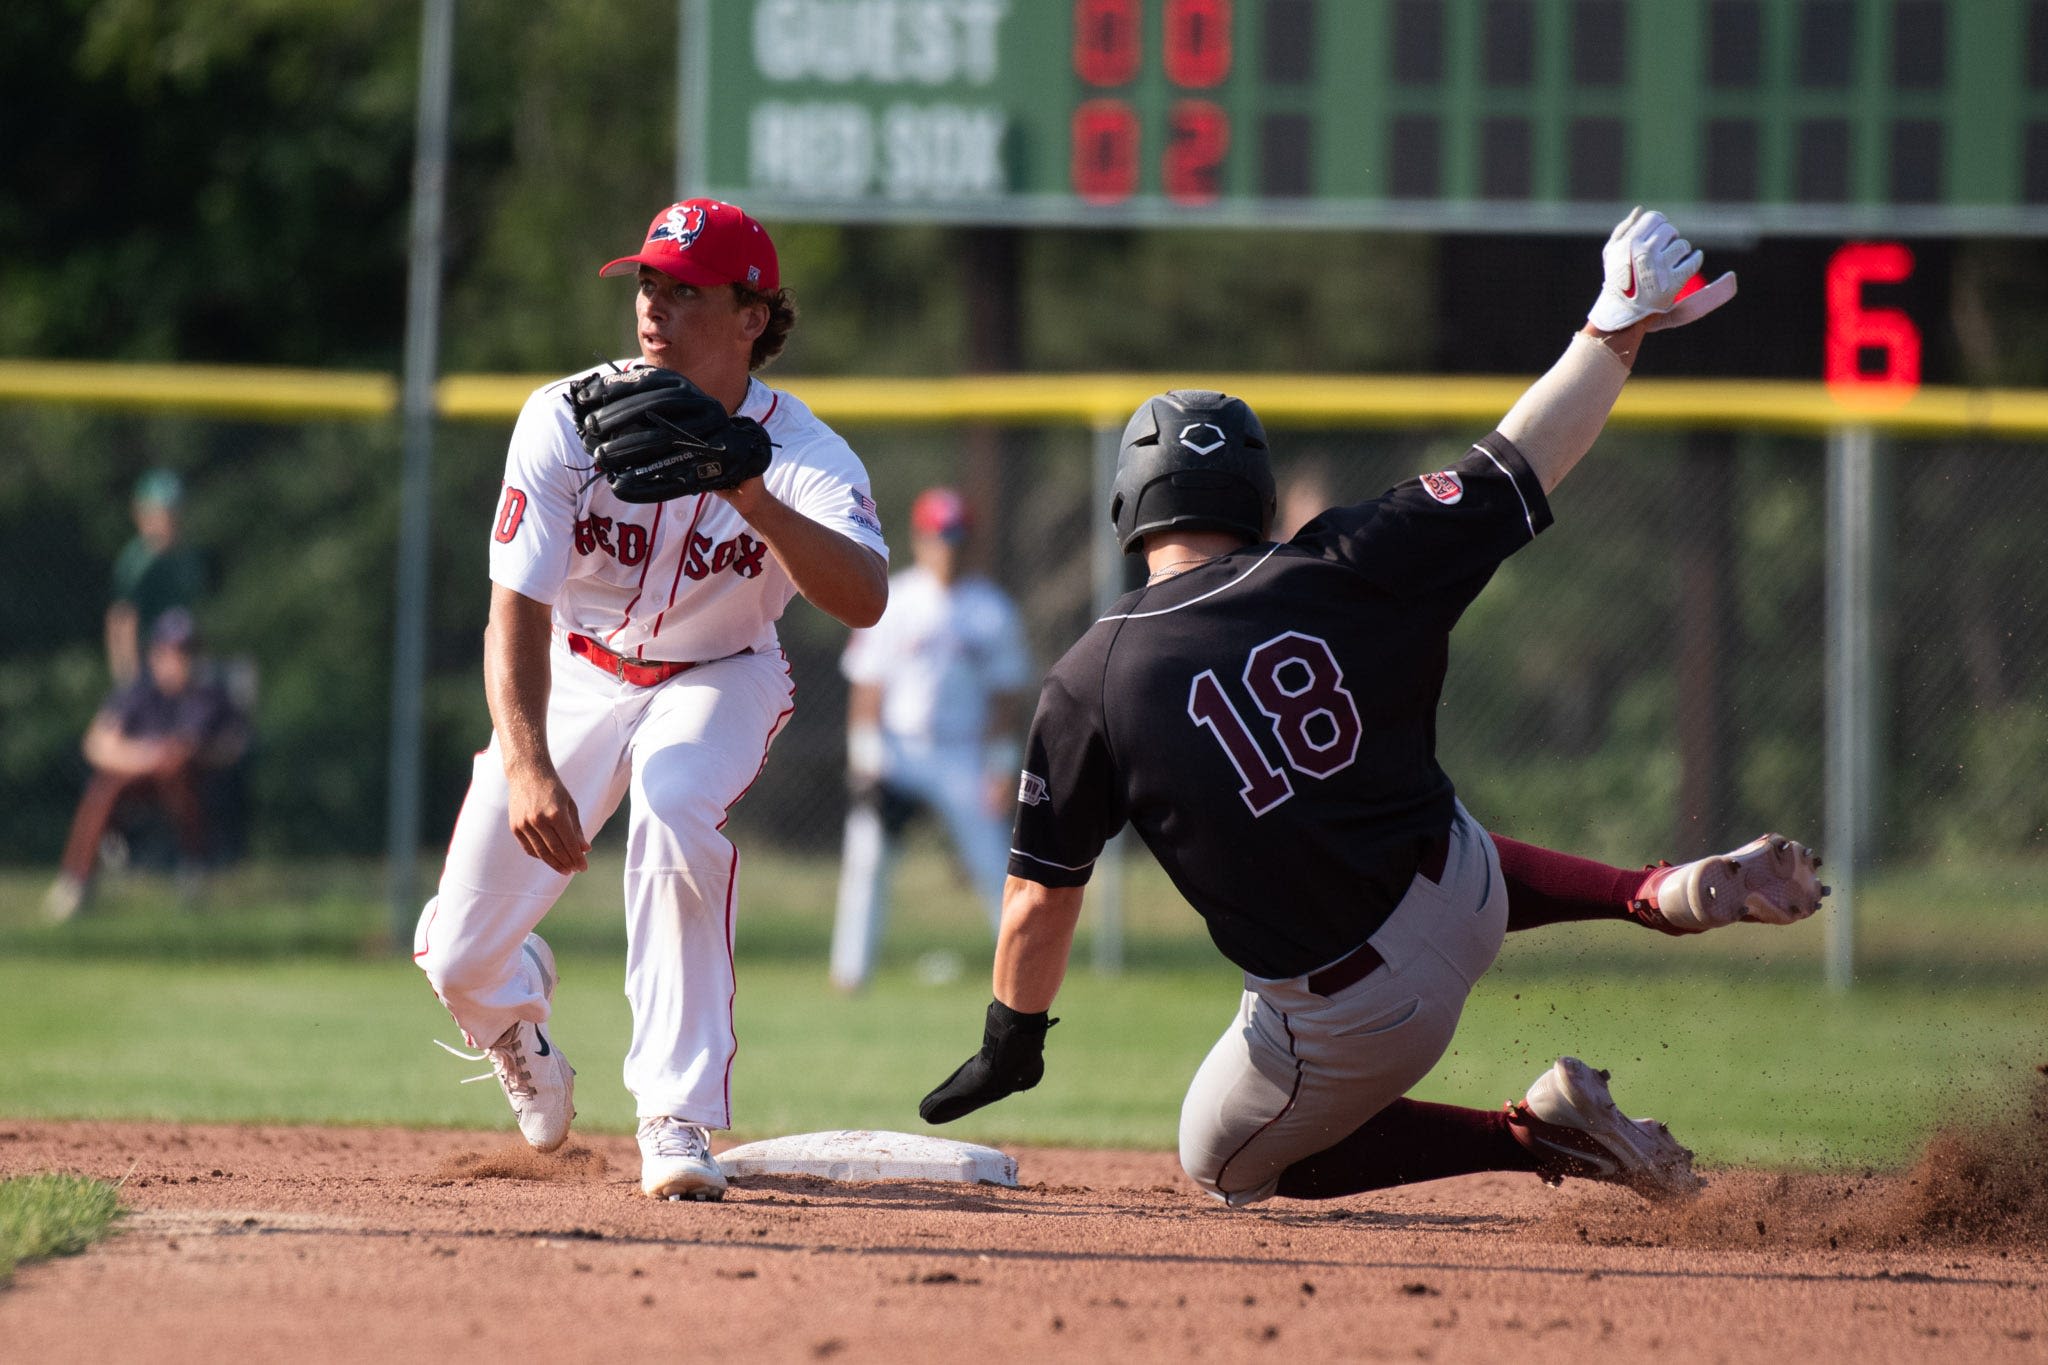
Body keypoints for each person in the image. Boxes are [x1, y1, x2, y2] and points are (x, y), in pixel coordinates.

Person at [920, 209, 1829, 1208]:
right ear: (1255, 497)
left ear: (1130, 509)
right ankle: (1640, 891)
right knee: (1401, 823)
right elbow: (1523, 455)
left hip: (1355, 1013)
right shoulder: (1345, 557)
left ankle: (1531, 1136)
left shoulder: (1087, 680)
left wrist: (1010, 1043)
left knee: (1221, 1161)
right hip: (1468, 887)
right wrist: (1611, 328)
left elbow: (1039, 902)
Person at [412, 198, 889, 1202]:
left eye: (685, 290)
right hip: (578, 670)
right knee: (457, 956)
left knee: (673, 805)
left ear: (751, 315)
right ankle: (514, 1019)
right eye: (647, 284)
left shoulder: (800, 452)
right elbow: (515, 609)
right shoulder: (565, 420)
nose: (654, 307)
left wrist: (752, 497)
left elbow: (863, 599)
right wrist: (530, 764)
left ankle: (673, 1116)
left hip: (720, 675)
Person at [830, 487, 1033, 991]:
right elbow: (868, 684)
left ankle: (1018, 978)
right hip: (899, 749)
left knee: (993, 866)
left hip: (963, 752)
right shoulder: (894, 598)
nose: (949, 547)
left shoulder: (991, 609)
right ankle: (850, 974)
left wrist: (1000, 765)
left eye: (957, 537)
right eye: (940, 536)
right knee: (867, 861)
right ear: (920, 540)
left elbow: (1005, 698)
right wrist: (867, 755)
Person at [46, 608, 248, 921]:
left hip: (191, 785)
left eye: (188, 651)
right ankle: (77, 881)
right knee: (103, 789)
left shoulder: (211, 697)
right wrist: (146, 756)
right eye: (172, 651)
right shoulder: (136, 695)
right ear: (155, 654)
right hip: (135, 782)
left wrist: (191, 754)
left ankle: (191, 868)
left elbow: (234, 745)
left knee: (177, 769)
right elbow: (97, 744)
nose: (180, 660)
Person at [106, 469, 207, 687]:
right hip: (146, 661)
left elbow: (193, 615)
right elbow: (123, 619)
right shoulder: (137, 563)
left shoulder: (188, 558)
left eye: (174, 512)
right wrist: (127, 680)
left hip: (182, 659)